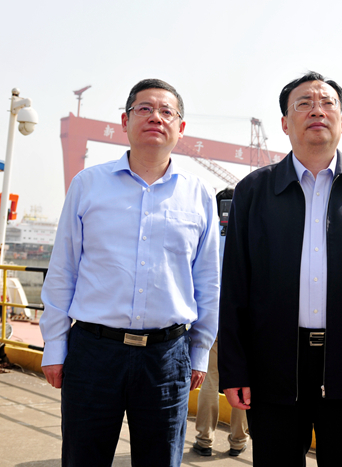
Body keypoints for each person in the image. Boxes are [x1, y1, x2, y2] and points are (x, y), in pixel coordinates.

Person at [218, 71, 342, 467]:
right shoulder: (253, 191)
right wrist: (235, 370)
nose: (317, 110)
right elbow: (235, 285)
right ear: (285, 123)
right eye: (304, 103)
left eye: (327, 103)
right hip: (273, 367)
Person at [39, 79, 220, 467]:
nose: (156, 117)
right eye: (144, 109)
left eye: (166, 111)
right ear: (125, 121)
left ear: (181, 127)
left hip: (167, 357)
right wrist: (54, 345)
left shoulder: (199, 194)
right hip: (94, 352)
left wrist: (200, 351)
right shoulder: (88, 185)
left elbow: (208, 279)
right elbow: (63, 269)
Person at [192, 187, 249, 457]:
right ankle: (238, 441)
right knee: (243, 379)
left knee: (210, 379)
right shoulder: (249, 233)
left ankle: (204, 439)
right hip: (243, 321)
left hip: (211, 318)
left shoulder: (208, 234)